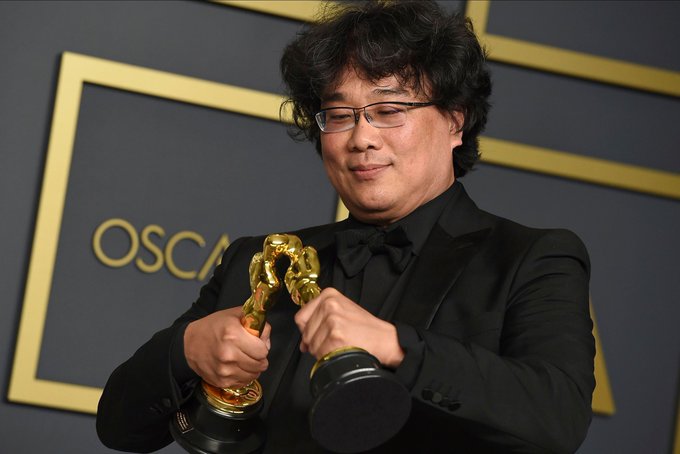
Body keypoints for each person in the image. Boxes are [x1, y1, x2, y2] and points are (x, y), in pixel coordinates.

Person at [96, 1, 595, 453]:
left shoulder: (531, 258)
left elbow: (558, 416)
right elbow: (119, 428)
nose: (362, 138)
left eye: (388, 110)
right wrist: (185, 350)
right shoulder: (260, 261)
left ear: (455, 121)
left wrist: (395, 346)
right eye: (339, 115)